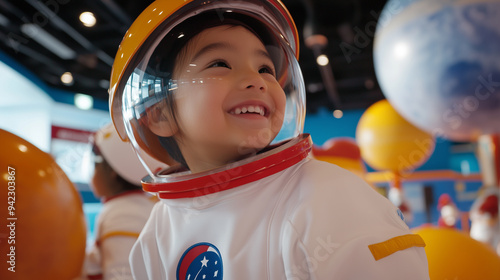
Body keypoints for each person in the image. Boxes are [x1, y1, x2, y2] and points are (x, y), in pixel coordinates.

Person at [108, 0, 430, 278]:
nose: (257, 81)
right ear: (160, 115)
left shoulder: (327, 198)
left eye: (265, 68)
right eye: (220, 64)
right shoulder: (158, 231)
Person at [83, 123, 167, 279]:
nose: (92, 174)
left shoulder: (121, 213)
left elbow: (122, 273)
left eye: (96, 165)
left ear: (113, 172)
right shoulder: (142, 203)